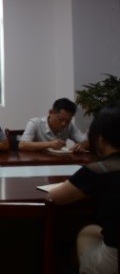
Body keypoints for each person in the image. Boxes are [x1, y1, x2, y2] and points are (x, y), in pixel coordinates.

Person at [48, 104, 120, 274]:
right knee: (90, 231)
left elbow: (53, 197)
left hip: (114, 259)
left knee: (84, 235)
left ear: (99, 139)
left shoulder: (97, 170)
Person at [19, 97, 89, 152]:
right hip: (36, 162)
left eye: (68, 121)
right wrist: (49, 144)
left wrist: (81, 145)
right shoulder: (35, 123)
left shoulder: (69, 126)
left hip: (59, 162)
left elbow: (87, 142)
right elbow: (22, 145)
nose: (64, 124)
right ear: (51, 112)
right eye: (60, 119)